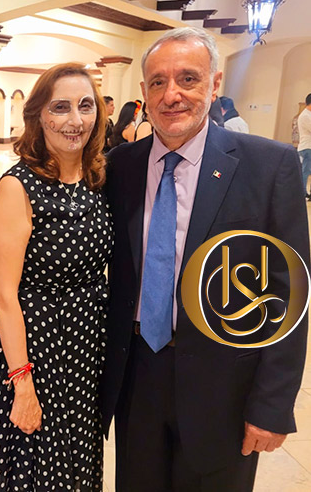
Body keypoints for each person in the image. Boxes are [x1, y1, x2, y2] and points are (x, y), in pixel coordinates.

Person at [101, 27, 309, 492]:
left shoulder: (269, 166)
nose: (171, 94)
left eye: (188, 79)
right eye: (158, 82)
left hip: (225, 386)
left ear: (214, 84)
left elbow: (289, 296)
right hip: (137, 375)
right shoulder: (120, 167)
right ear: (144, 92)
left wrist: (272, 405)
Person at [0, 62, 114, 491]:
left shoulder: (97, 177)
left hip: (85, 351)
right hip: (36, 351)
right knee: (34, 470)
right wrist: (22, 384)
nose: (75, 120)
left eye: (85, 106)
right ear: (38, 115)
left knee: (75, 468)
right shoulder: (18, 186)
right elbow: (3, 295)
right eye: (61, 107)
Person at [297, 93, 311, 200]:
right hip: (307, 147)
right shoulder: (305, 116)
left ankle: (305, 192)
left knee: (307, 170)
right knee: (306, 171)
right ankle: (301, 193)